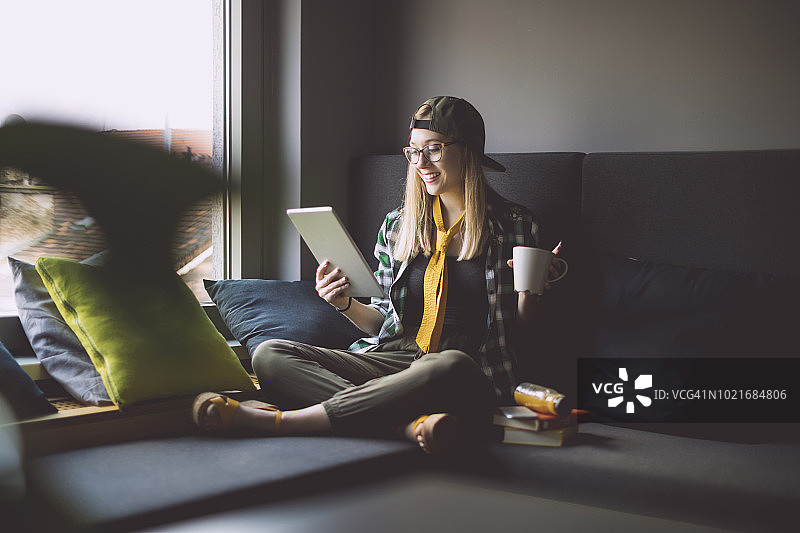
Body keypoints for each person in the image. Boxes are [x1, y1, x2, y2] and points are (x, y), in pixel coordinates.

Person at [192, 96, 560, 453]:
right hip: (395, 359)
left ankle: (286, 422)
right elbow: (382, 324)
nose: (421, 162)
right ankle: (402, 426)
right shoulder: (399, 226)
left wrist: (532, 291)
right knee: (270, 355)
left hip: (465, 368)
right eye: (414, 151)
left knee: (447, 364)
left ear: (468, 150)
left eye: (433, 149)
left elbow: (523, 332)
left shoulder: (514, 226)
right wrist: (343, 303)